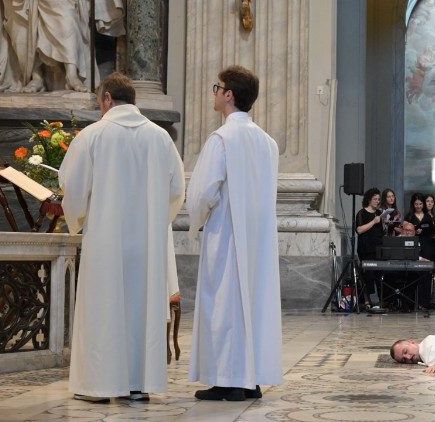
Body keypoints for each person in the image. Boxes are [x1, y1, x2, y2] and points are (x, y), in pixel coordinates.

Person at [59, 72, 185, 402]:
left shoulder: (93, 136)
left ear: (107, 99)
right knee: (141, 311)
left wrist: (79, 218)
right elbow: (176, 189)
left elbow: (71, 188)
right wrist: (156, 222)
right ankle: (138, 385)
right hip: (146, 246)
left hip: (105, 242)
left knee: (104, 309)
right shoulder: (160, 138)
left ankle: (99, 386)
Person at [187, 65, 282, 401]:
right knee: (252, 305)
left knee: (224, 306)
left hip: (226, 235)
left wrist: (197, 219)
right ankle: (250, 378)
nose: (214, 92)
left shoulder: (222, 138)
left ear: (229, 95)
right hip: (258, 240)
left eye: (218, 87)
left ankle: (228, 380)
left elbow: (202, 193)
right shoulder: (267, 143)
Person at [355, 187, 385, 308]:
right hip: (366, 249)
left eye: (378, 199)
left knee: (379, 275)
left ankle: (381, 300)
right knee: (368, 275)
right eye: (375, 199)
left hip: (378, 248)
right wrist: (374, 221)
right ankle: (367, 301)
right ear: (369, 200)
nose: (377, 201)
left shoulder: (379, 213)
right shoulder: (361, 213)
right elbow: (359, 229)